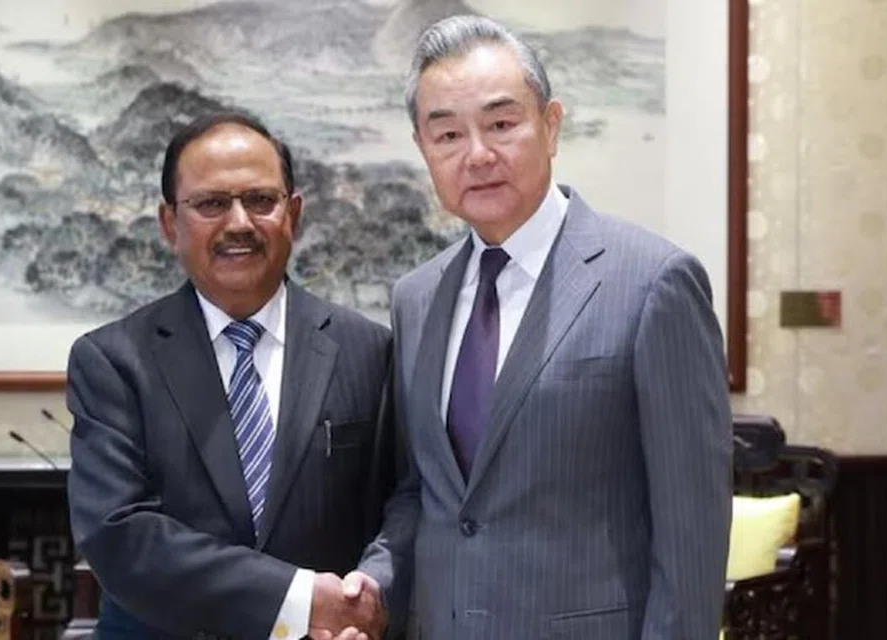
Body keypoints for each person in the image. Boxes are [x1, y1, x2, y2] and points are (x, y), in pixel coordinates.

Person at [349, 14, 734, 639]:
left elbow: (691, 534)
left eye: (502, 124)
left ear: (550, 126)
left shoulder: (653, 284)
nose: (478, 154)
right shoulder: (416, 298)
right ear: (423, 148)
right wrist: (375, 585)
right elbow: (424, 494)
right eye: (448, 134)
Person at [66, 112, 396, 639]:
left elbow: (403, 503)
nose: (239, 222)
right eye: (212, 204)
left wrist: (368, 593)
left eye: (260, 200)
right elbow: (119, 535)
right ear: (169, 223)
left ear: (293, 213)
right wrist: (299, 602)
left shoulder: (369, 350)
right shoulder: (112, 361)